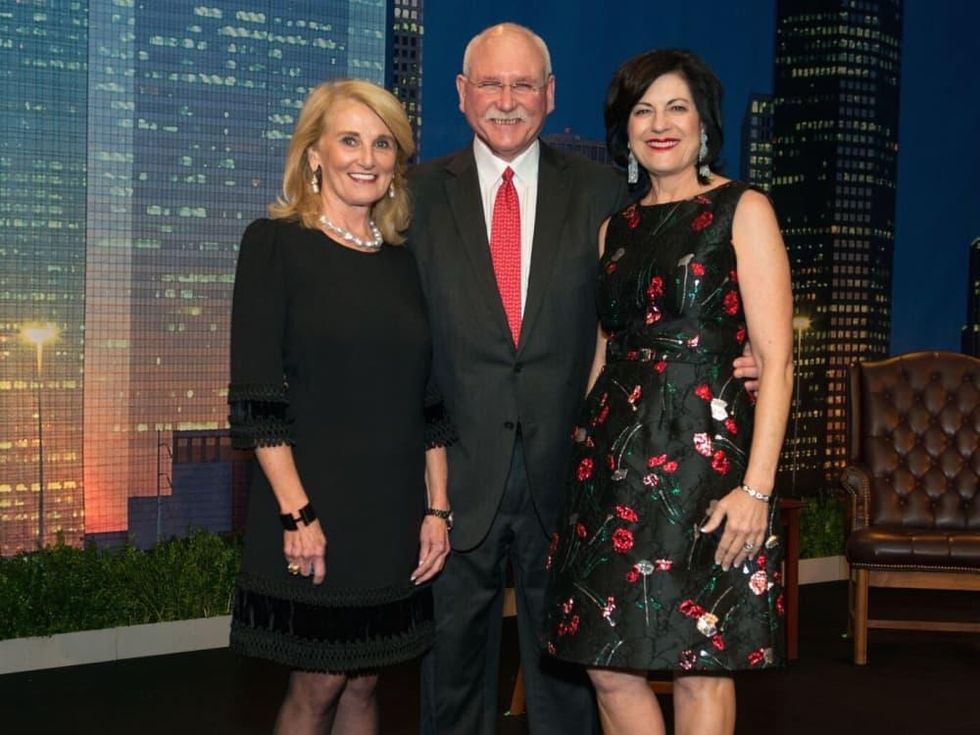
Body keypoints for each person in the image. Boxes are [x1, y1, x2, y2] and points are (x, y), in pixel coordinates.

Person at [407, 25, 760, 734]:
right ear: (462, 93)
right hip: (453, 480)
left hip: (579, 479)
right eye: (491, 84)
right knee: (449, 679)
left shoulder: (612, 196)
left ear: (550, 95)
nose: (507, 100)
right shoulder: (411, 196)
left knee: (573, 682)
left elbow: (695, 292)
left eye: (524, 84)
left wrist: (739, 361)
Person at [544, 49, 793, 735]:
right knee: (607, 660)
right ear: (624, 131)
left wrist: (758, 490)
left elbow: (775, 361)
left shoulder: (742, 208)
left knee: (699, 658)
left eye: (676, 107)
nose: (659, 124)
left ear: (703, 123)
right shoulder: (614, 229)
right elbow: (605, 349)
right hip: (611, 466)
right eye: (642, 111)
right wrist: (581, 463)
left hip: (703, 465)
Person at [227, 79, 453, 735]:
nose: (368, 156)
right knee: (321, 680)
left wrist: (437, 507)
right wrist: (298, 514)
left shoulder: (403, 263)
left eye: (383, 143)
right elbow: (257, 399)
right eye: (350, 139)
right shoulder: (274, 244)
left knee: (366, 682)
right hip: (312, 507)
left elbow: (428, 399)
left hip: (392, 514)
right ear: (315, 154)